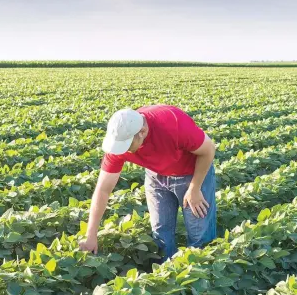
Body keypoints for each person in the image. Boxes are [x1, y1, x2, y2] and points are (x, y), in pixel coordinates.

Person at [78, 104, 217, 261]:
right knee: (161, 232)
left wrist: (194, 188)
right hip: (156, 175)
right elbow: (103, 190)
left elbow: (209, 150)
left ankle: (201, 276)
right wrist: (91, 235)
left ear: (142, 132)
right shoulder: (119, 142)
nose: (122, 151)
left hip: (192, 173)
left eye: (127, 146)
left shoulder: (172, 124)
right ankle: (168, 277)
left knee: (199, 233)